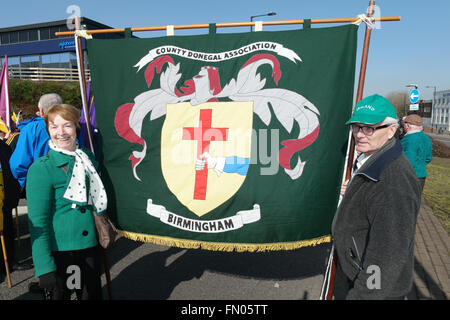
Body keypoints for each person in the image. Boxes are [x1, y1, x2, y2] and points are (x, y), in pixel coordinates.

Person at [332, 94, 421, 300]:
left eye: (369, 128)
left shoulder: (393, 180)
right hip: (354, 269)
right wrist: (354, 190)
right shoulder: (372, 157)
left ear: (391, 131)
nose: (359, 134)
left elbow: (387, 254)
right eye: (356, 126)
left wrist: (363, 295)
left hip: (373, 289)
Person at [26, 104, 107, 300]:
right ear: (48, 130)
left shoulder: (86, 157)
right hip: (63, 252)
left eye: (67, 126)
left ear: (76, 129)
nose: (60, 133)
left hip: (89, 246)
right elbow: (38, 223)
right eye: (54, 127)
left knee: (90, 296)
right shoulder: (41, 169)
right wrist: (44, 267)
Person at [9, 93, 62, 188]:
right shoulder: (74, 126)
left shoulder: (31, 128)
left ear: (41, 110)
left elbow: (18, 164)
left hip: (39, 184)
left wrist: (27, 183)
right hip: (70, 182)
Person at [0, 139, 31, 278]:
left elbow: (12, 167)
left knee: (7, 229)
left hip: (5, 197)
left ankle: (9, 261)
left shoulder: (3, 146)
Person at [401, 114, 433, 191]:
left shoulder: (408, 139)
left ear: (407, 126)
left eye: (404, 124)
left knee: (404, 201)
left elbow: (406, 161)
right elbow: (428, 158)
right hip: (421, 176)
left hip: (407, 176)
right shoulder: (426, 138)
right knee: (416, 201)